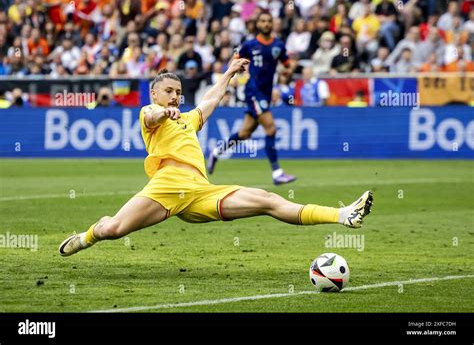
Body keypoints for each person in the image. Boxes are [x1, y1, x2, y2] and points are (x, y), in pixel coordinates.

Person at [58, 59, 373, 257]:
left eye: (178, 92)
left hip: (200, 192)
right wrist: (162, 111)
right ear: (155, 93)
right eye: (168, 91)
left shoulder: (187, 118)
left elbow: (209, 100)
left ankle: (344, 215)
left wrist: (229, 73)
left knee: (267, 200)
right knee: (112, 230)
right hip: (166, 187)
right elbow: (152, 116)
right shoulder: (151, 112)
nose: (174, 96)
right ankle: (85, 237)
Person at [207, 11, 297, 185]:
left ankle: (216, 152)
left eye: (268, 21)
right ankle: (277, 173)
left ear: (272, 24)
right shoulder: (250, 45)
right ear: (258, 24)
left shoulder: (279, 45)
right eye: (262, 21)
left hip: (266, 93)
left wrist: (289, 70)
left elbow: (288, 64)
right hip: (254, 92)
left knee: (244, 133)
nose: (265, 24)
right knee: (270, 129)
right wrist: (237, 68)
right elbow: (235, 59)